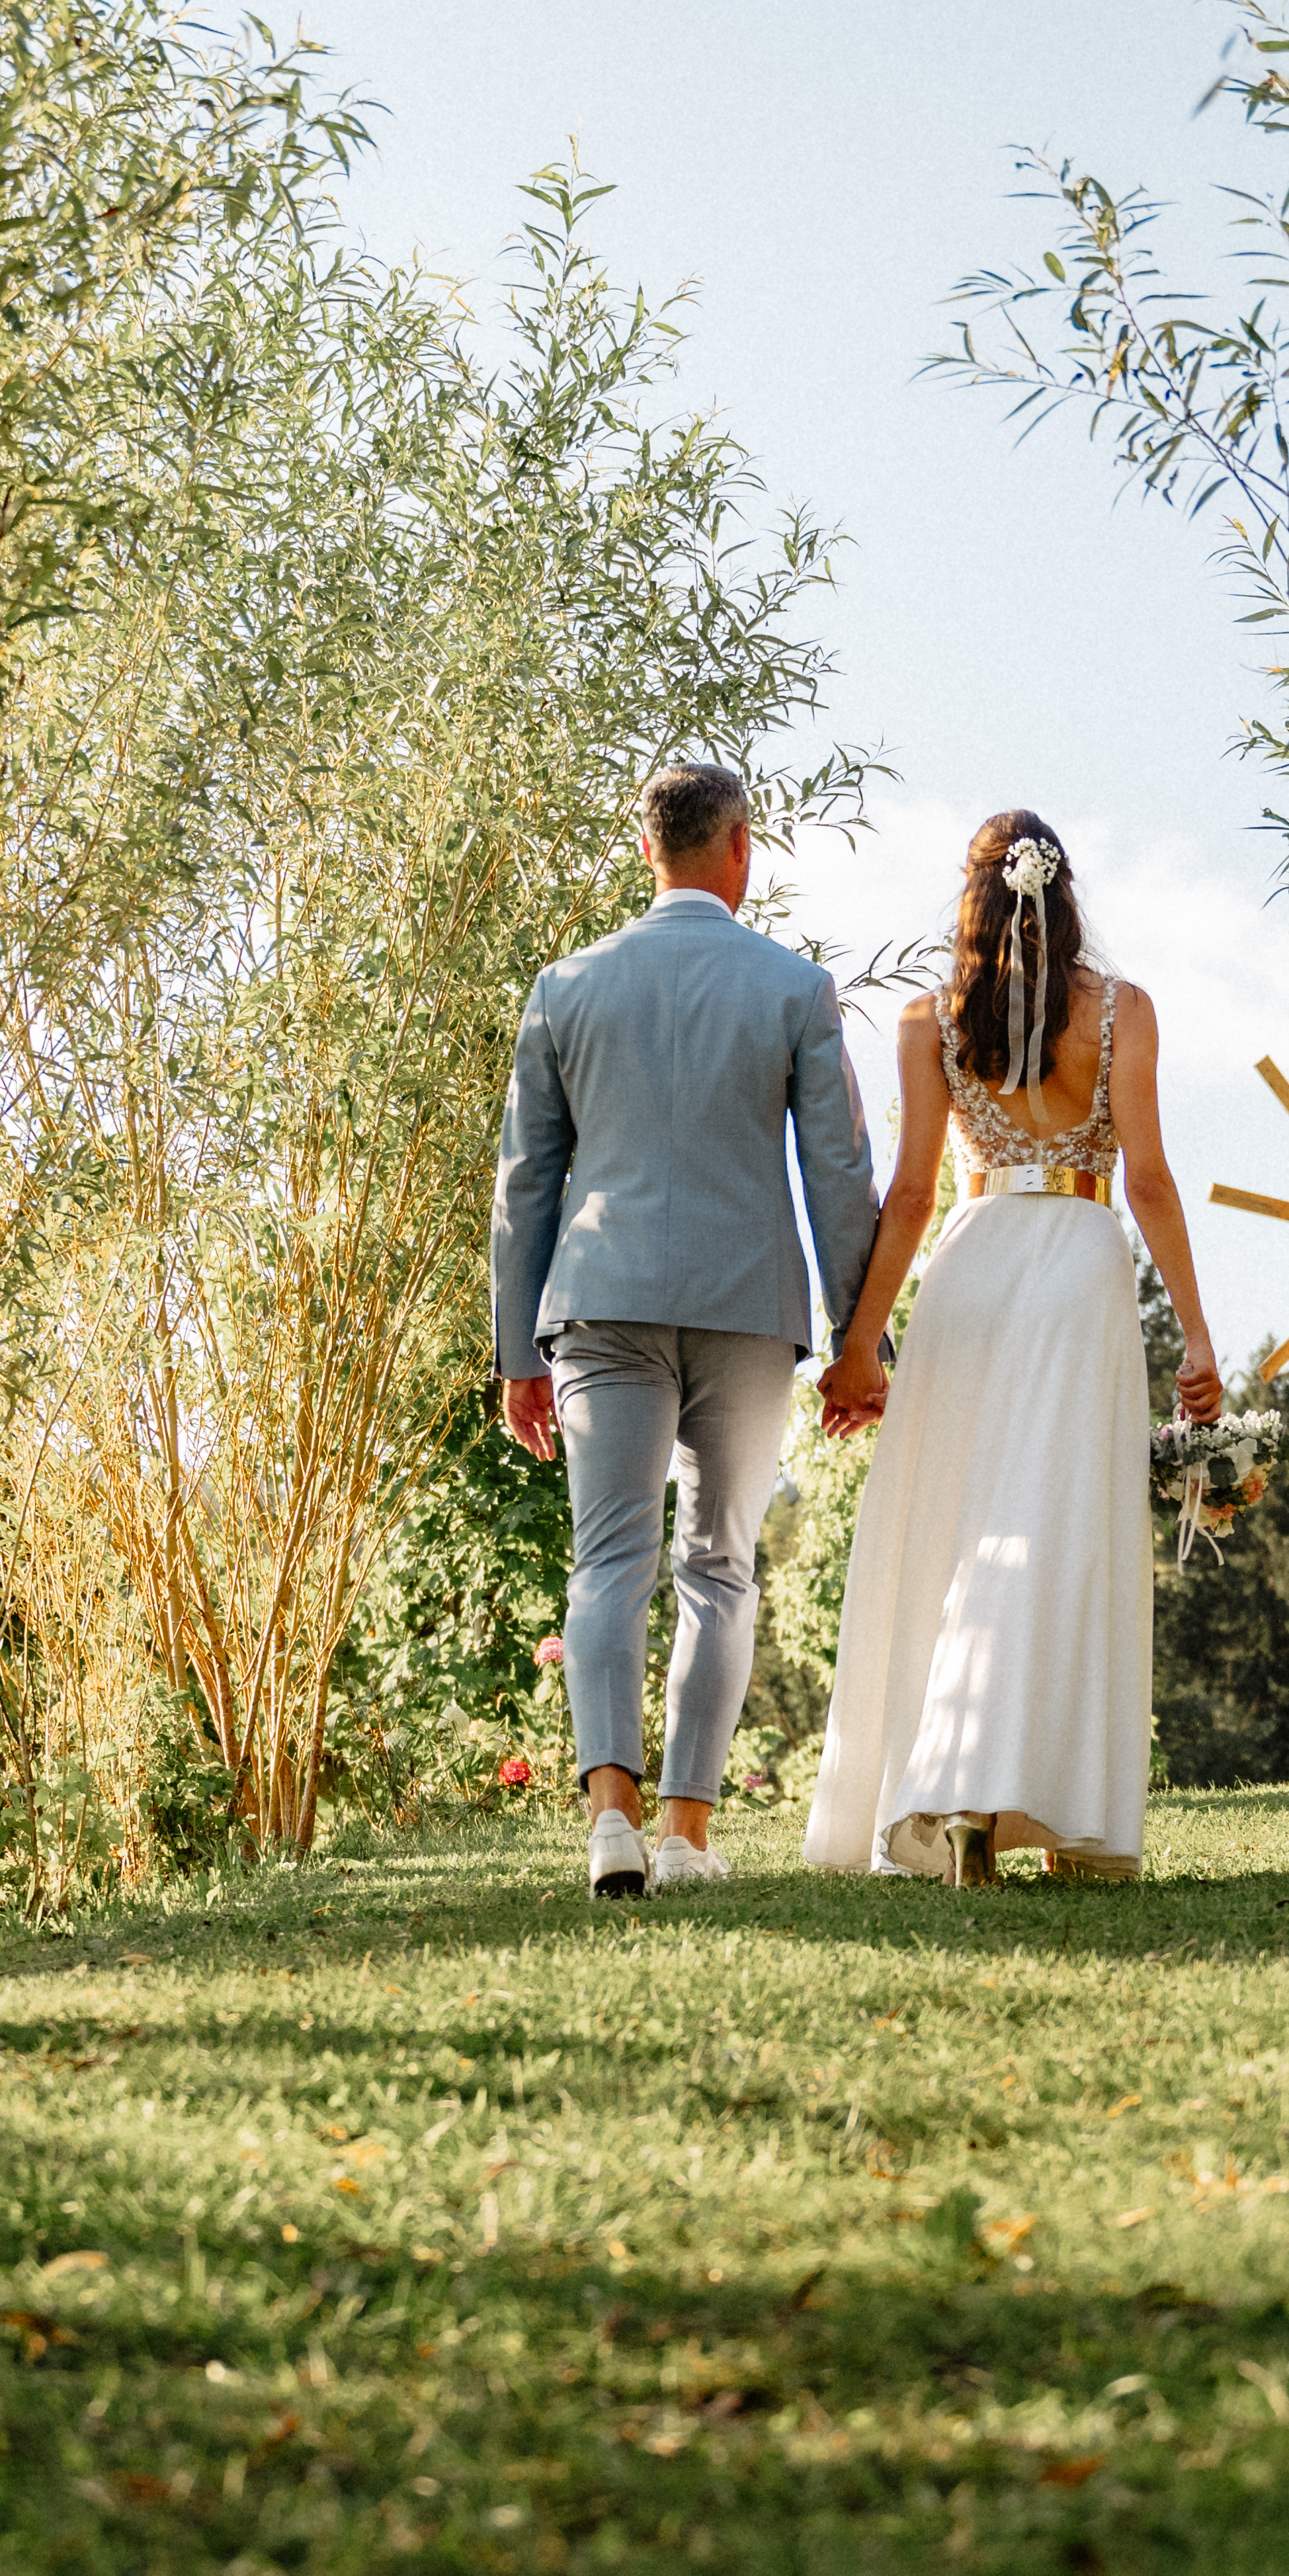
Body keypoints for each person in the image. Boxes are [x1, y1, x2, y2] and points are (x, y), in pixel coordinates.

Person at [802, 811, 1224, 1884]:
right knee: (1060, 1531)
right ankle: (1048, 1807)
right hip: (1080, 1261)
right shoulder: (1123, 1012)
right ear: (1064, 893)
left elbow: (907, 1193)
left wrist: (859, 1346)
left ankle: (958, 1800)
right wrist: (1198, 1334)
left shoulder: (927, 1018)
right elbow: (1151, 1180)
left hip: (973, 1264)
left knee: (961, 1534)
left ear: (974, 897)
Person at [488, 764, 883, 1899]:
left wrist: (519, 1352)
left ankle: (608, 1820)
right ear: (741, 849)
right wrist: (861, 1340)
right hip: (747, 1311)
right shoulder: (794, 989)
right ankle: (686, 1834)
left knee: (608, 1560)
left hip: (598, 1305)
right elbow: (838, 1176)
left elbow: (526, 1185)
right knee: (721, 1567)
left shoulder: (566, 987)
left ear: (647, 848)